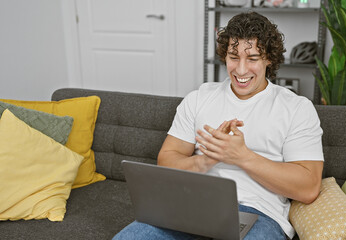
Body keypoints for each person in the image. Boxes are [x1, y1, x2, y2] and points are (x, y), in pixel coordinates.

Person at [114, 11, 324, 240]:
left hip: (259, 215)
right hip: (189, 207)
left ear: (269, 59)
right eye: (234, 57)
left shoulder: (296, 108)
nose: (241, 70)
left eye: (252, 58)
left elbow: (309, 188)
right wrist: (207, 159)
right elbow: (166, 161)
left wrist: (242, 156)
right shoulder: (199, 98)